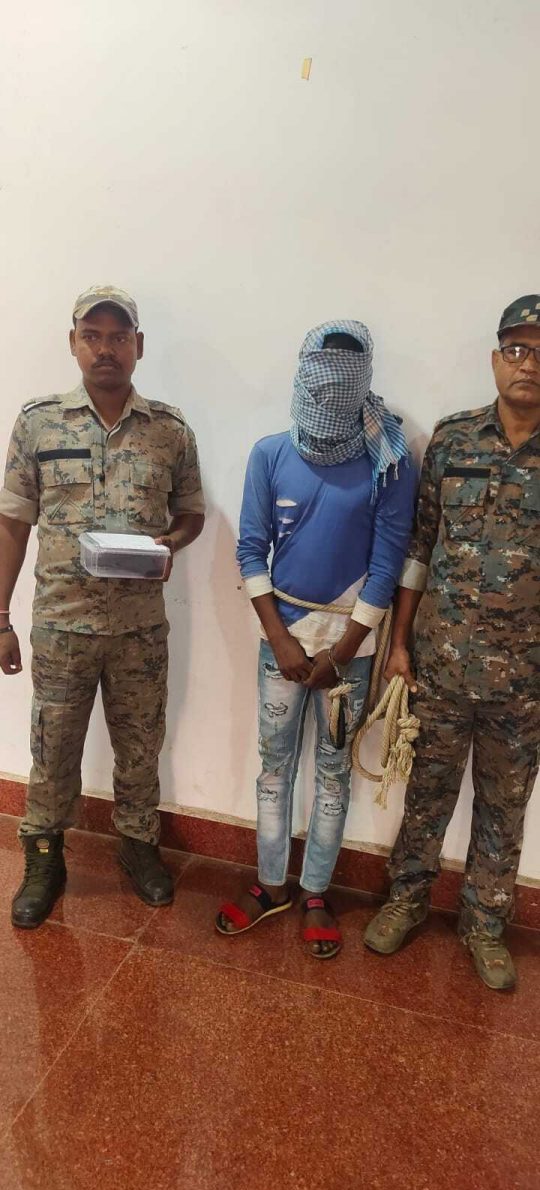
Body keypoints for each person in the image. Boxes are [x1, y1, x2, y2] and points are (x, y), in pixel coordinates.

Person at [1, 285, 205, 928]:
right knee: (53, 746)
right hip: (62, 624)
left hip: (139, 630)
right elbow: (12, 524)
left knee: (141, 744)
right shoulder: (39, 423)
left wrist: (171, 543)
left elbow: (192, 513)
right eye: (92, 335)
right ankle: (44, 857)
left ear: (138, 346)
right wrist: (0, 619)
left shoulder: (169, 430)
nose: (105, 348)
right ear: (73, 343)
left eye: (119, 337)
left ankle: (138, 846)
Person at [215, 320, 416, 957]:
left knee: (333, 773)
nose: (331, 388)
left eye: (345, 375)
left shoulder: (388, 461)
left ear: (364, 379)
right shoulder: (270, 454)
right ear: (303, 373)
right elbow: (251, 550)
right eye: (321, 372)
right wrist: (279, 640)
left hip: (348, 651)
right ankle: (272, 884)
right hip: (281, 643)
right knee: (274, 768)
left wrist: (345, 650)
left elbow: (387, 563)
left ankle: (317, 892)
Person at [364, 295, 540, 990]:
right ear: (496, 359)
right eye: (517, 349)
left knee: (504, 806)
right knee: (427, 793)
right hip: (439, 665)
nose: (529, 363)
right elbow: (419, 547)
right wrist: (398, 645)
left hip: (524, 681)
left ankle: (485, 925)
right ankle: (406, 899)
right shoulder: (453, 439)